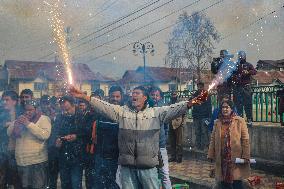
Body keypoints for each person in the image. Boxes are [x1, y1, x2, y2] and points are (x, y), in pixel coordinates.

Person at [69, 85, 200, 189]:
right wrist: (84, 97)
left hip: (148, 168)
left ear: (145, 98)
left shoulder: (155, 113)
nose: (134, 95)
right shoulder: (122, 112)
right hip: (128, 168)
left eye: (137, 93)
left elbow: (174, 108)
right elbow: (104, 106)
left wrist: (191, 103)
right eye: (133, 93)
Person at [7, 99, 51, 189]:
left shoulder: (44, 119)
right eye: (26, 110)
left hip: (37, 162)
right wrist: (16, 122)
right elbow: (9, 133)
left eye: (30, 110)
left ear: (36, 110)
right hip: (21, 161)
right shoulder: (21, 118)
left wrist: (28, 124)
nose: (28, 112)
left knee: (38, 187)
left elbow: (44, 135)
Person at [207, 100, 250, 189]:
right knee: (223, 183)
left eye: (227, 107)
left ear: (231, 109)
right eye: (223, 107)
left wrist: (245, 156)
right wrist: (210, 155)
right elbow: (213, 140)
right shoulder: (217, 122)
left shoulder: (240, 121)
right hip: (222, 159)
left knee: (237, 183)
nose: (225, 109)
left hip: (235, 159)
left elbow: (245, 140)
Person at [93, 86, 124, 189]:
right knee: (99, 185)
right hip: (100, 157)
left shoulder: (125, 114)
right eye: (112, 96)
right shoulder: (102, 113)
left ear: (121, 97)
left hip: (116, 160)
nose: (115, 99)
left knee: (114, 186)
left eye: (117, 96)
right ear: (108, 97)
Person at [149, 86, 172, 189]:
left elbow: (166, 126)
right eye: (152, 95)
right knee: (151, 174)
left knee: (165, 173)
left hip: (161, 146)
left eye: (157, 95)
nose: (154, 97)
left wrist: (164, 138)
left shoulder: (163, 109)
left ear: (160, 97)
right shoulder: (145, 109)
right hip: (148, 147)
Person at [0, 90, 22, 189]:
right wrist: (4, 125)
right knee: (2, 179)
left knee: (18, 180)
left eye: (7, 100)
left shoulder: (22, 113)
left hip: (18, 152)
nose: (4, 102)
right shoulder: (1, 115)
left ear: (14, 101)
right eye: (3, 100)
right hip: (3, 152)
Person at [232, 51, 257, 123]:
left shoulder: (248, 64)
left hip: (246, 87)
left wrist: (248, 72)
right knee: (238, 104)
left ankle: (249, 119)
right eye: (239, 56)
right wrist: (235, 76)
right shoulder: (235, 65)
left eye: (242, 56)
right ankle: (240, 119)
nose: (240, 57)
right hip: (237, 87)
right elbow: (231, 74)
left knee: (248, 103)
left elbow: (255, 71)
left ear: (245, 56)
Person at [192, 82, 212, 151]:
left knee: (204, 132)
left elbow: (209, 106)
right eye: (198, 87)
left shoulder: (206, 95)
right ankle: (197, 146)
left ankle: (205, 146)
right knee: (197, 132)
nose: (199, 88)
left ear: (203, 87)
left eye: (201, 87)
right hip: (196, 116)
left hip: (204, 116)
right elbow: (191, 103)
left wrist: (209, 117)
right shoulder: (195, 95)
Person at [168, 91, 185, 163]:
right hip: (171, 123)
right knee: (172, 142)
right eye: (172, 94)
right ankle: (173, 156)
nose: (173, 95)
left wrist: (182, 123)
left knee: (179, 142)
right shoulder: (169, 103)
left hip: (179, 124)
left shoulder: (180, 103)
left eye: (174, 94)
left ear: (177, 94)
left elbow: (184, 113)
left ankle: (179, 157)